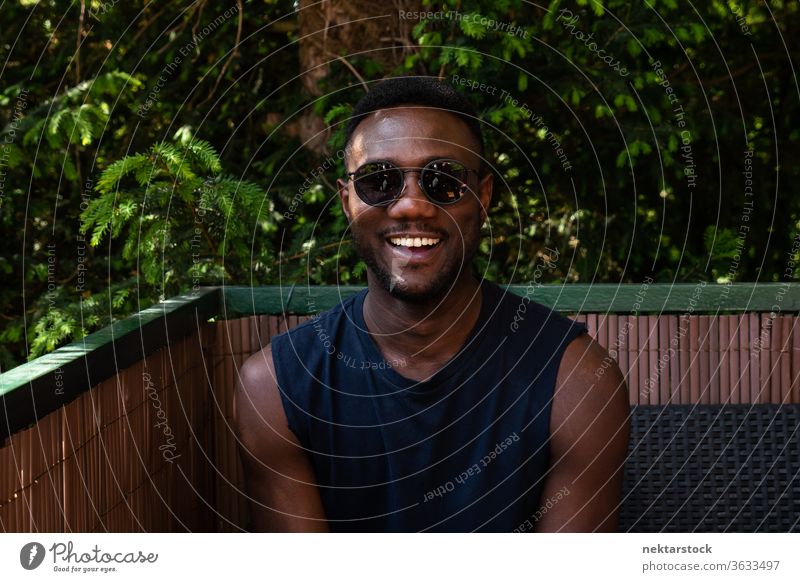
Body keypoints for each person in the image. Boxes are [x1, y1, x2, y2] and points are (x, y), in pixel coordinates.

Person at [233, 76, 630, 532]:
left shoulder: (575, 381)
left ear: (482, 197)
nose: (410, 207)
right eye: (378, 181)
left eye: (442, 180)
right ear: (347, 202)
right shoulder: (275, 387)